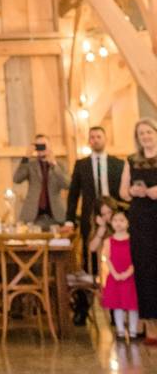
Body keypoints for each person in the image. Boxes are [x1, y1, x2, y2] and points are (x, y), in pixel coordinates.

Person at [65, 127, 126, 271]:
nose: (95, 140)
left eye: (99, 136)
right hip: (90, 216)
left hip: (114, 214)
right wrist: (69, 220)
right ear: (89, 141)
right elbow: (73, 194)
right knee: (90, 253)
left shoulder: (118, 164)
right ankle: (93, 287)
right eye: (92, 137)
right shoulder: (81, 165)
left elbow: (124, 192)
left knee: (117, 252)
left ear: (105, 139)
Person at [120, 117, 157, 344]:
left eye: (149, 132)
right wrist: (133, 190)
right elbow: (122, 193)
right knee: (145, 267)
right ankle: (150, 322)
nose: (145, 136)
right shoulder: (131, 160)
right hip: (141, 218)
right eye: (141, 133)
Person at [14, 134, 70, 229]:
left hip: (56, 215)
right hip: (33, 216)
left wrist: (54, 165)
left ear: (50, 146)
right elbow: (17, 179)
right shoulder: (30, 164)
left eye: (43, 145)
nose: (41, 148)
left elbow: (67, 185)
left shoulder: (60, 165)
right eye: (38, 146)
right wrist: (26, 157)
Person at [100, 208, 138, 340]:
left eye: (122, 220)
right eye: (115, 220)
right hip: (115, 276)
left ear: (128, 223)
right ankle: (120, 330)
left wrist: (128, 272)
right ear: (111, 222)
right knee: (117, 305)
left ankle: (133, 331)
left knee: (133, 305)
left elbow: (136, 259)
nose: (118, 223)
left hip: (130, 277)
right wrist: (114, 273)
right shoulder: (108, 241)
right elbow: (107, 258)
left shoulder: (133, 240)